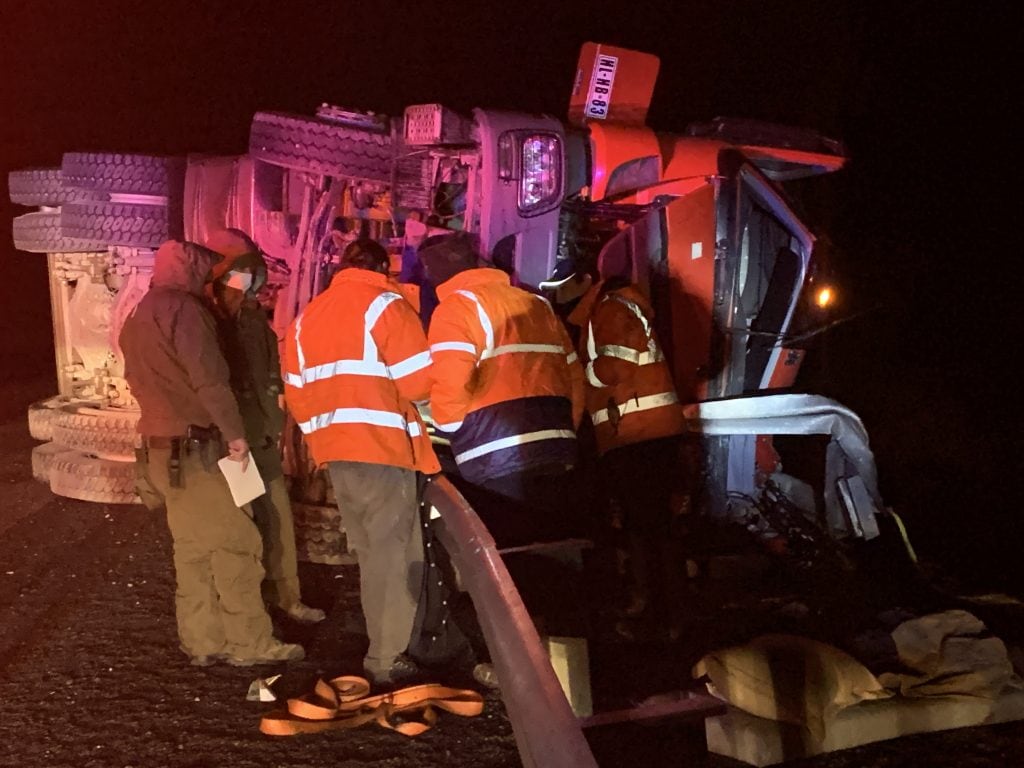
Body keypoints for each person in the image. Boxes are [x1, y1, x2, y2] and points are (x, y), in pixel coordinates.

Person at [119, 239, 304, 667]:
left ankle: (202, 641)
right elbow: (212, 382)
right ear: (191, 273)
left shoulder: (138, 313)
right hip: (200, 449)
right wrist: (236, 437)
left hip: (159, 451)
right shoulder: (187, 312)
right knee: (237, 544)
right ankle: (251, 644)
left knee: (192, 549)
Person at [421, 232, 587, 687]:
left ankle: (518, 665)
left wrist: (452, 432)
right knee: (553, 552)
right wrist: (565, 428)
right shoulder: (536, 305)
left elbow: (450, 390)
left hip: (496, 456)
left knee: (507, 567)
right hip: (555, 445)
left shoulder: (456, 309)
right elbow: (573, 374)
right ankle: (564, 654)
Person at [282, 237, 439, 688]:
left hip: (338, 454)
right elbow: (418, 384)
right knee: (395, 555)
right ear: (381, 268)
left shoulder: (306, 317)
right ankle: (388, 658)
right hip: (383, 449)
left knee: (371, 555)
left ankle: (382, 647)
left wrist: (322, 441)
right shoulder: (385, 305)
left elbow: (296, 393)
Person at [204, 228, 325, 625]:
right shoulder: (208, 321)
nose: (250, 284)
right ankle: (251, 607)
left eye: (253, 275)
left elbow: (269, 373)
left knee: (276, 517)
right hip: (235, 440)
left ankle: (287, 596)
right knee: (244, 527)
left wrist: (276, 419)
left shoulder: (253, 320)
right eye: (242, 275)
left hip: (262, 436)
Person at [567, 273, 689, 635]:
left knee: (645, 529)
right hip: (644, 434)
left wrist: (577, 370)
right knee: (654, 528)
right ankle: (667, 611)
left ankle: (658, 614)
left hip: (637, 435)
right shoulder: (617, 307)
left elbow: (613, 369)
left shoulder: (609, 309)